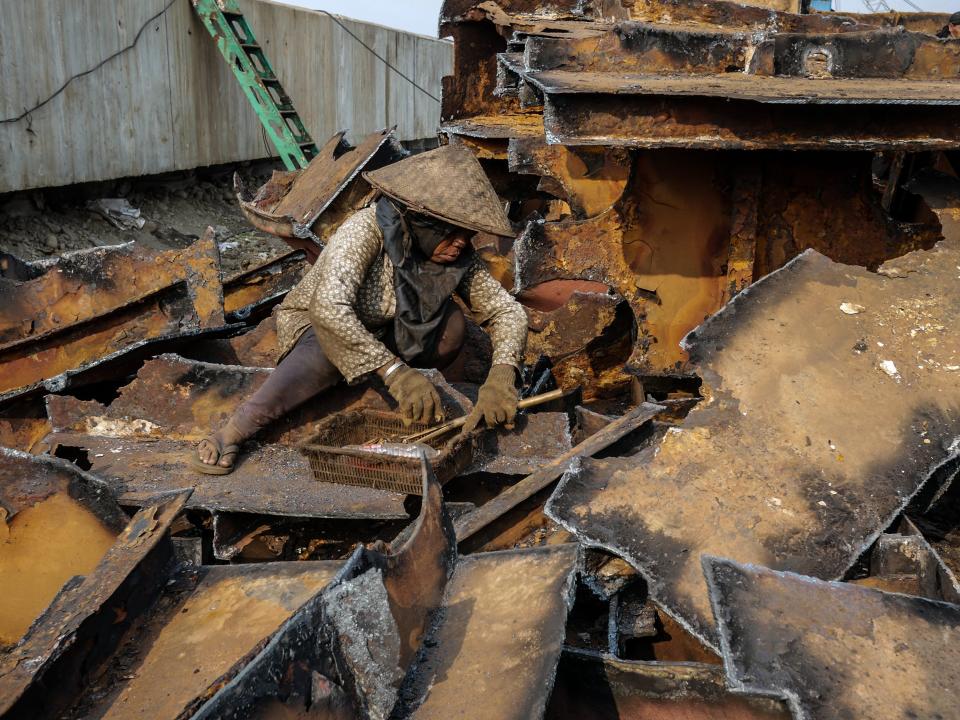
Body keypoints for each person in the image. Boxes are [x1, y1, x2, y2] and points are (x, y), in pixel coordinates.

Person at [192, 144, 528, 474]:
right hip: (320, 325)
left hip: (389, 334)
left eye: (467, 236)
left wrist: (502, 375)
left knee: (453, 327)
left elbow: (506, 312)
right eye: (453, 233)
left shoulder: (458, 256)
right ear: (426, 223)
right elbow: (329, 309)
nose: (461, 244)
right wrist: (397, 373)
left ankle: (393, 386)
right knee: (326, 345)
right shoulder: (365, 229)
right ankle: (235, 430)